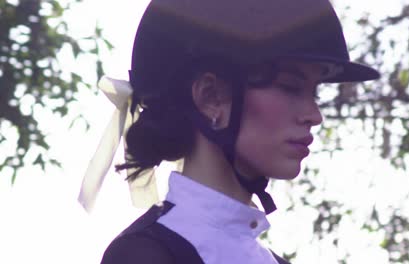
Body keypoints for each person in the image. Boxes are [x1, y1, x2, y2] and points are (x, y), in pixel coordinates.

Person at [98, 0, 380, 263]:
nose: (314, 115)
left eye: (314, 92)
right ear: (211, 98)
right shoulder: (143, 255)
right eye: (290, 86)